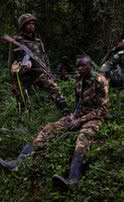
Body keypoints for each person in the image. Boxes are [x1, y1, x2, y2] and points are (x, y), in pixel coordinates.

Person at [31, 55, 109, 193]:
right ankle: (20, 162)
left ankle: (73, 180)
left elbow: (103, 109)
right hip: (78, 115)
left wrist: (80, 121)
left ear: (90, 66)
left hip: (93, 117)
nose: (80, 68)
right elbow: (79, 102)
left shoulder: (100, 80)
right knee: (49, 128)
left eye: (83, 66)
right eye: (78, 66)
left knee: (83, 138)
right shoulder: (79, 79)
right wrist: (73, 115)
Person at [7, 13, 68, 114]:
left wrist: (48, 71)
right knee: (22, 98)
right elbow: (11, 62)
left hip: (40, 73)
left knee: (55, 89)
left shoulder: (38, 41)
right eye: (28, 24)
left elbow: (45, 57)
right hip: (24, 74)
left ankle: (66, 113)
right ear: (22, 26)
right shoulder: (16, 41)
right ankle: (23, 121)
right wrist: (13, 81)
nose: (32, 26)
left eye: (33, 23)